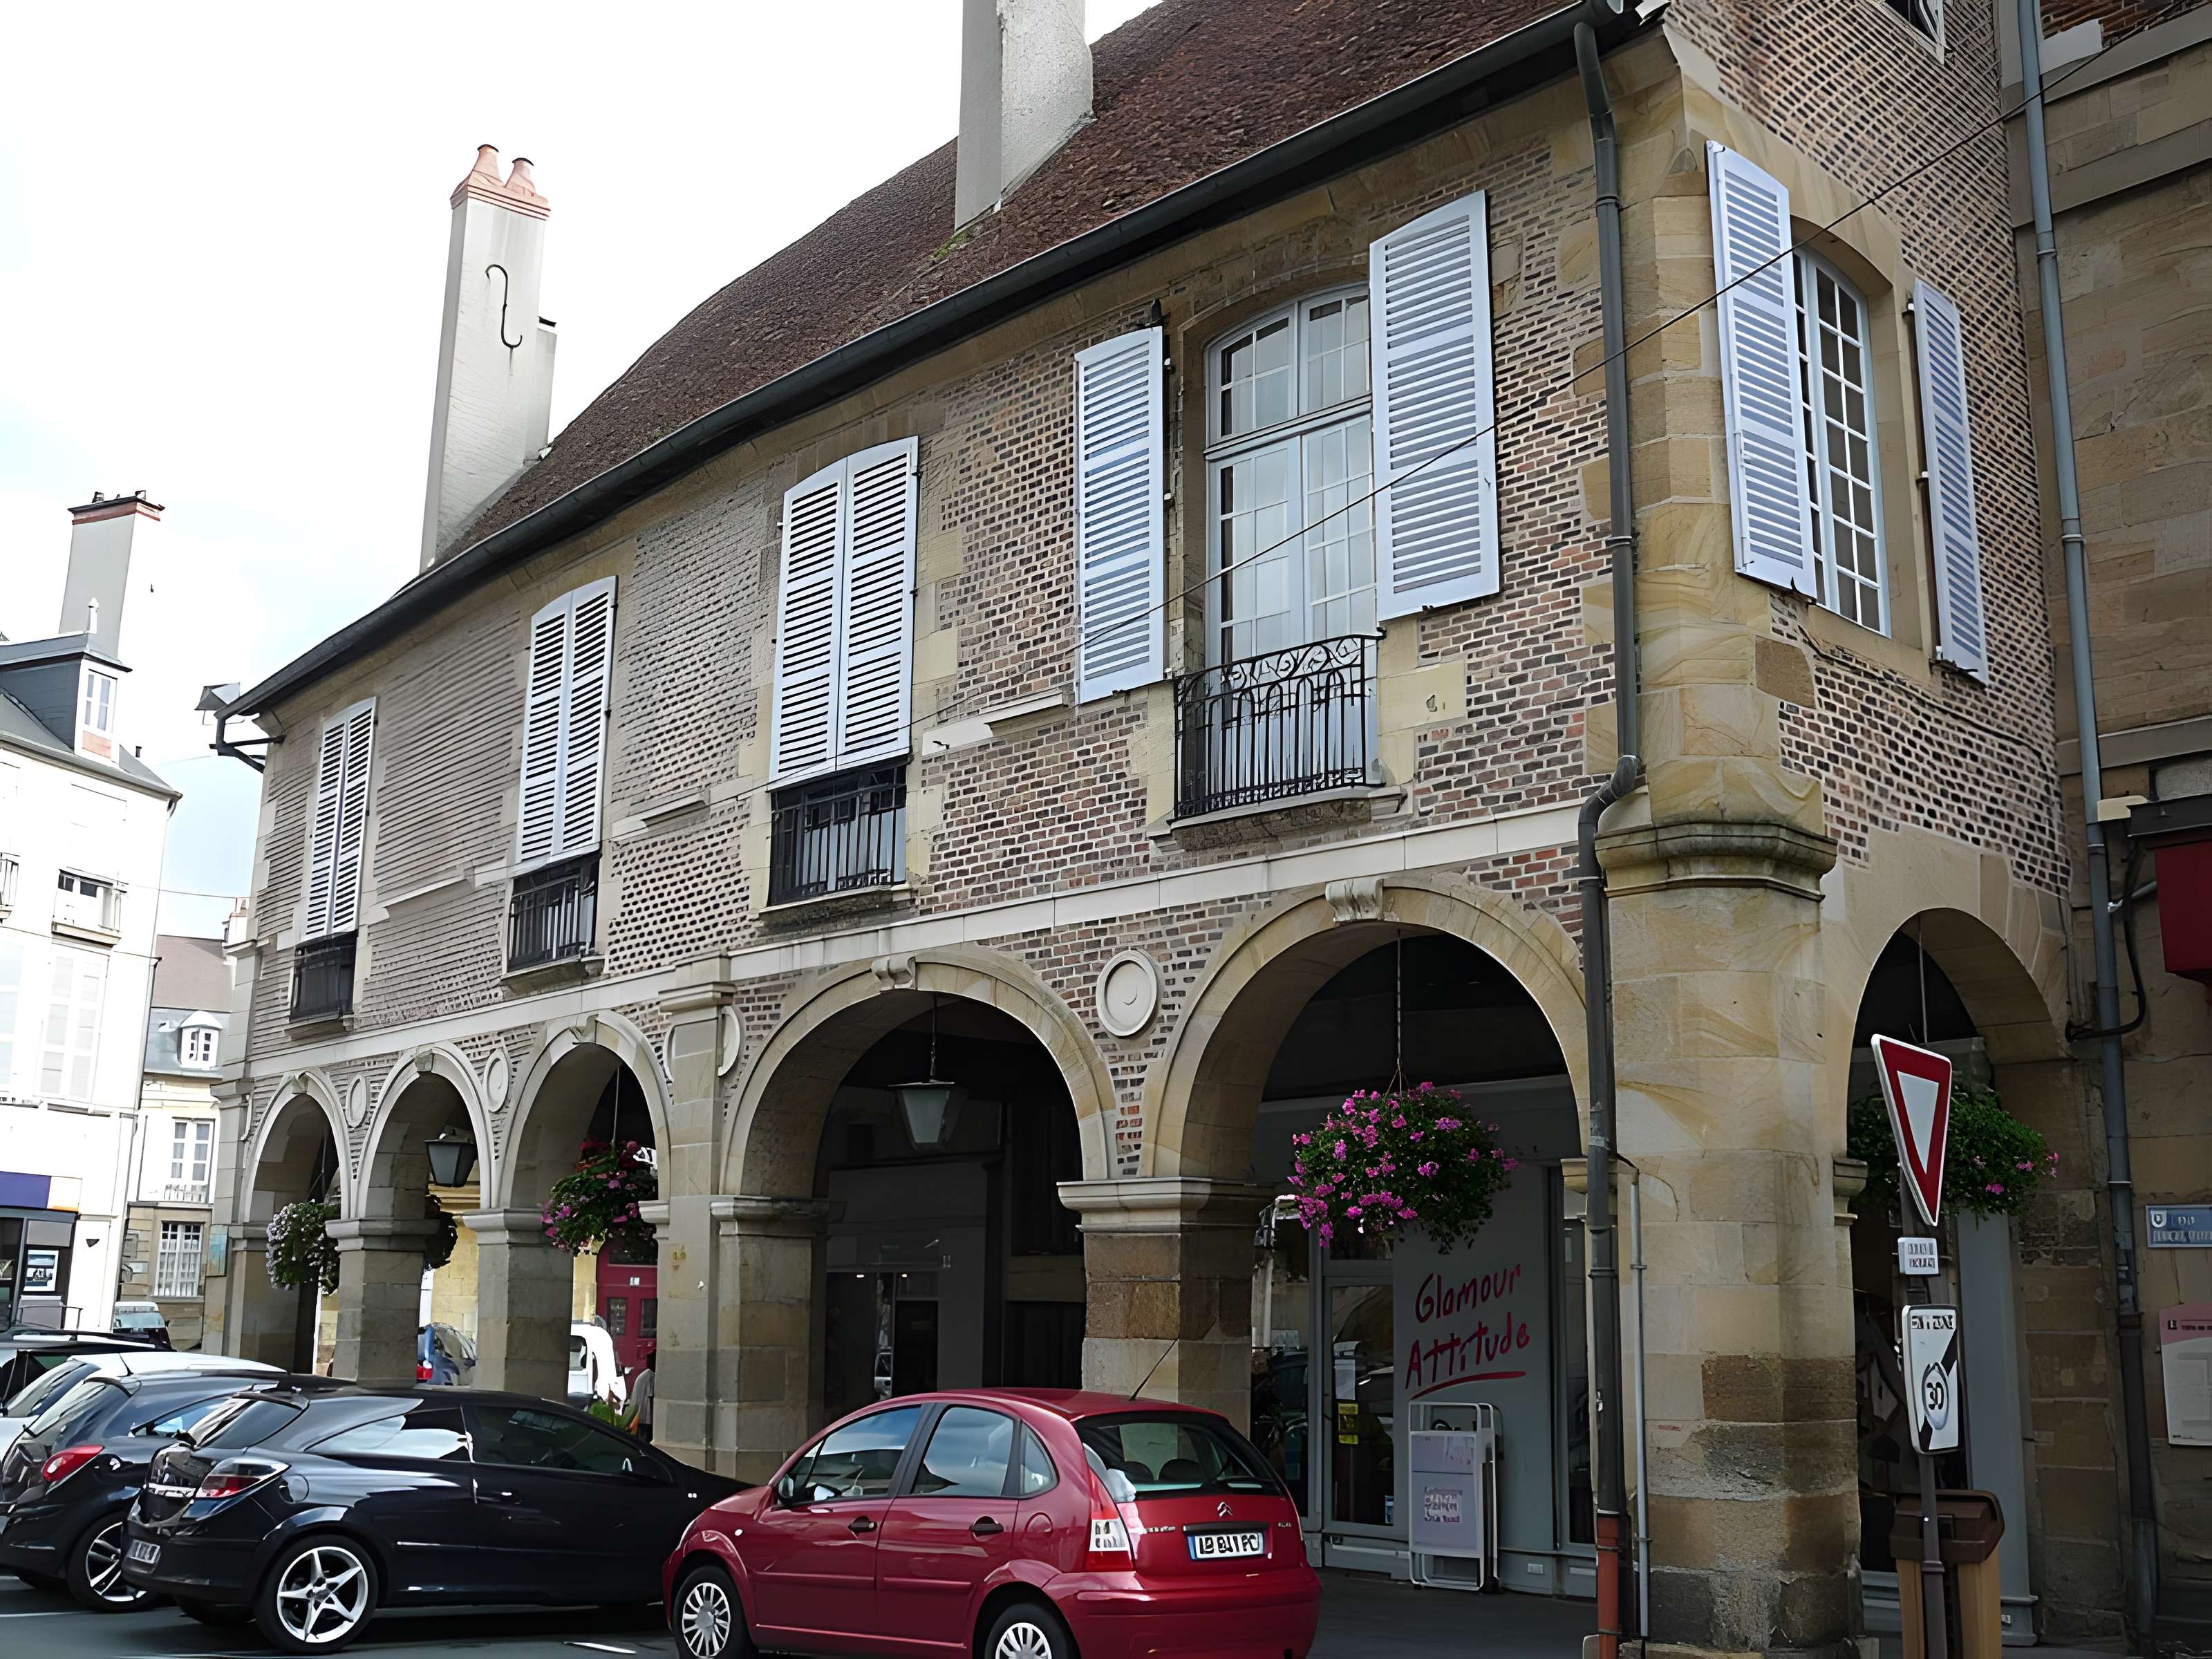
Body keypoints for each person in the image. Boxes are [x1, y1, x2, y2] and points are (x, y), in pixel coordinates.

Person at [629, 1344, 656, 1442]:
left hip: (640, 1415)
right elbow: (651, 1396)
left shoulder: (646, 1375)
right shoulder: (650, 1377)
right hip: (644, 1417)